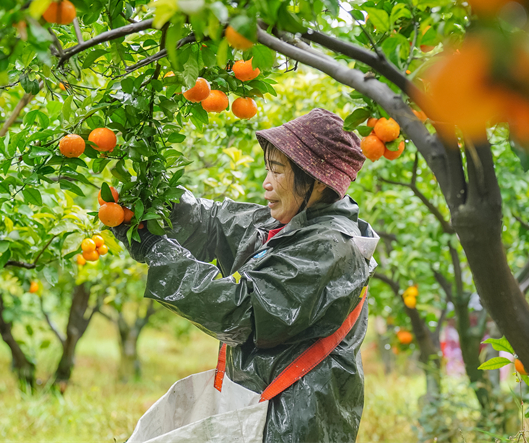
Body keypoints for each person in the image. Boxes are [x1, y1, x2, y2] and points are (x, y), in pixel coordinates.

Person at [113, 108, 379, 443]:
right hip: (257, 406)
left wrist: (157, 251)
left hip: (291, 422)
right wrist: (154, 201)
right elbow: (213, 222)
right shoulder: (291, 224)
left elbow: (243, 312)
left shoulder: (328, 248)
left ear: (317, 181)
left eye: (278, 171)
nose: (266, 184)